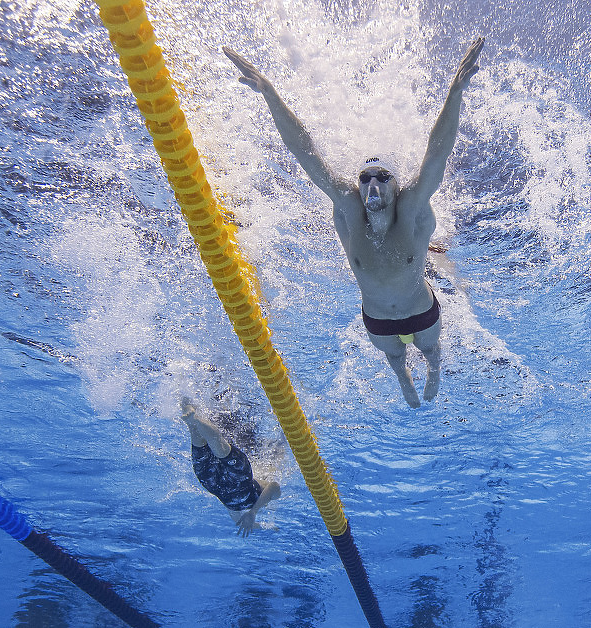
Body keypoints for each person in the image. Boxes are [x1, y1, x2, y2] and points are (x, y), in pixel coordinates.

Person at [223, 38, 485, 408]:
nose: (372, 184)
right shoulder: (348, 209)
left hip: (421, 311)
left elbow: (436, 155)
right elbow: (306, 151)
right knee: (395, 360)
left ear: (397, 185)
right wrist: (269, 92)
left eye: (381, 177)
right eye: (364, 178)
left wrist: (455, 92)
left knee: (432, 351)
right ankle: (401, 377)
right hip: (377, 320)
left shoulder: (412, 210)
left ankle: (434, 369)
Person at [180, 397, 281, 537]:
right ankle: (191, 417)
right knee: (210, 445)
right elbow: (274, 486)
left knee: (218, 444)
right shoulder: (248, 507)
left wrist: (255, 516)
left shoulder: (249, 506)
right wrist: (254, 515)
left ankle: (193, 417)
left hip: (223, 481)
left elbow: (274, 487)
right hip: (214, 483)